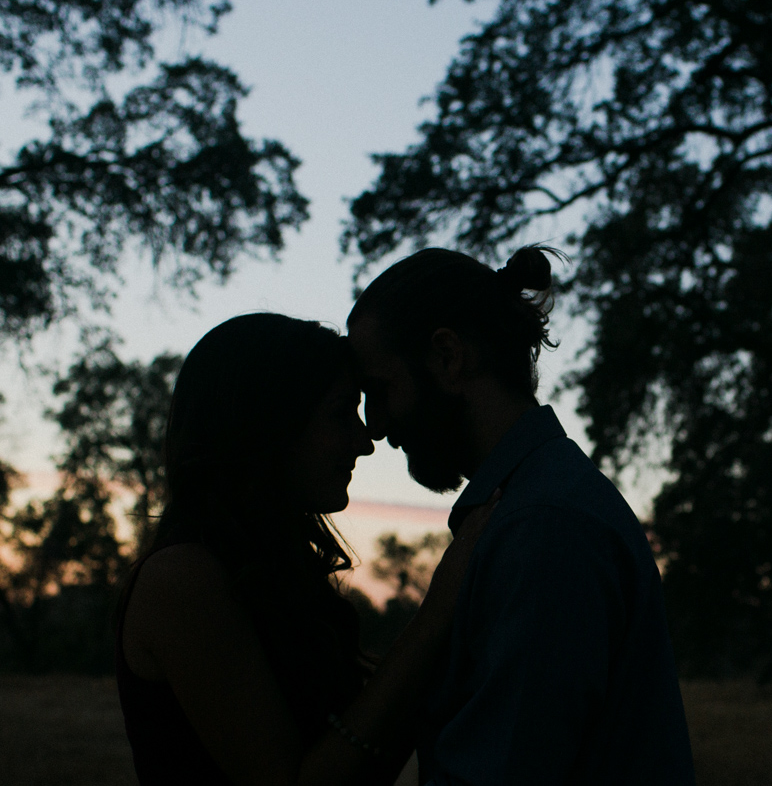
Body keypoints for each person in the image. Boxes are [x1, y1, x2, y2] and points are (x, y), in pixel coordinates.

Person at [346, 246, 696, 785]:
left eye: (382, 390)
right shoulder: (532, 507)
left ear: (446, 356)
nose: (374, 425)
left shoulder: (543, 527)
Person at [115, 312, 497, 786]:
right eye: (342, 413)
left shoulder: (271, 577)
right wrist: (439, 611)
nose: (365, 442)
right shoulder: (181, 581)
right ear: (268, 423)